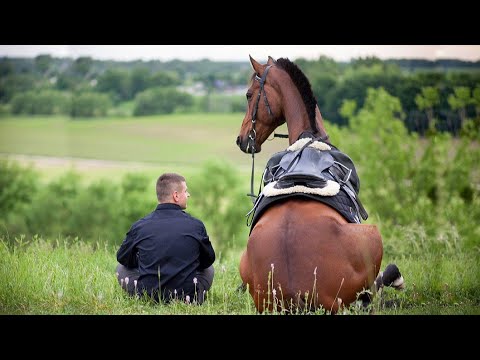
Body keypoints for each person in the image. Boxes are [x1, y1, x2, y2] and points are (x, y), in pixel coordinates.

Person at [116, 172, 215, 304]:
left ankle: (144, 297)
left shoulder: (139, 226)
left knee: (121, 268)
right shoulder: (196, 225)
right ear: (175, 195)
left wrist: (145, 261)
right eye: (185, 191)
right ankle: (193, 298)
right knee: (209, 269)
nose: (188, 194)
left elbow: (122, 258)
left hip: (149, 295)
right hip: (187, 297)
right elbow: (208, 261)